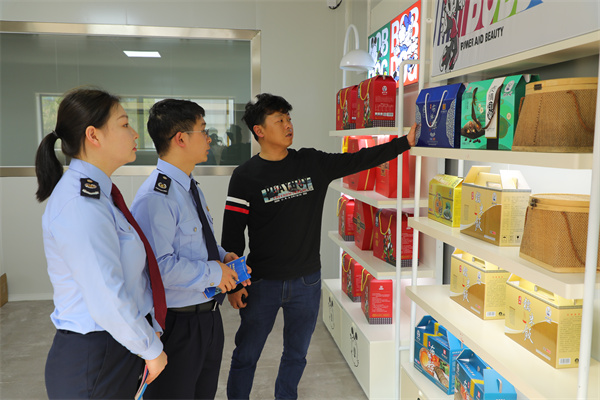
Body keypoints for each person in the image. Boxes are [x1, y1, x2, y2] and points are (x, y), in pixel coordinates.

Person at [222, 93, 416, 400]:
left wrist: (404, 143)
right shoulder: (245, 176)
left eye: (289, 118)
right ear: (259, 131)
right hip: (262, 283)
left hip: (306, 282)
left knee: (296, 354)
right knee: (246, 354)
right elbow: (232, 236)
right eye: (279, 120)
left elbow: (358, 160)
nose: (288, 125)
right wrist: (233, 286)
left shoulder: (311, 162)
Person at [35, 87, 168, 399]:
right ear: (93, 135)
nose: (135, 133)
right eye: (124, 124)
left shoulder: (100, 195)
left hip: (115, 345)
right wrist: (149, 348)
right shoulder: (81, 203)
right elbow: (105, 293)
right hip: (94, 358)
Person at [130, 99, 250, 399]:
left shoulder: (188, 186)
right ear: (180, 139)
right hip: (178, 324)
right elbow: (158, 268)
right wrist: (215, 273)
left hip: (208, 317)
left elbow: (195, 244)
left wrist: (222, 257)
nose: (209, 138)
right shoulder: (156, 197)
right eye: (203, 130)